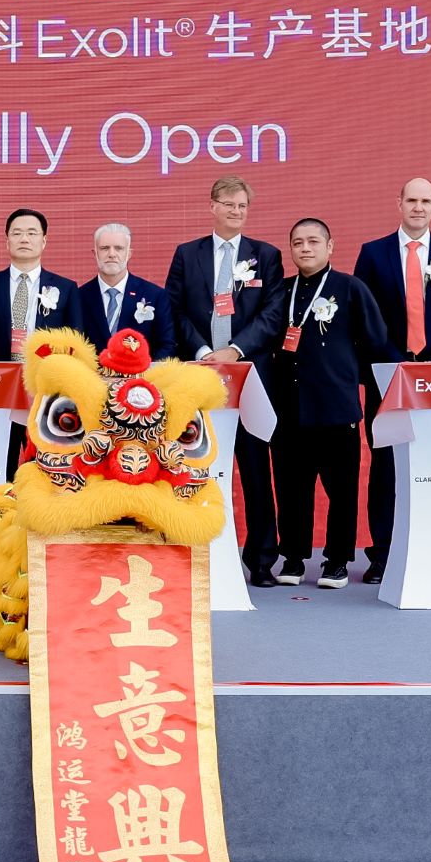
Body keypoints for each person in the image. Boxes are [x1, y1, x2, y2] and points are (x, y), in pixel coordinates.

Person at [165, 176, 287, 586]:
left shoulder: (265, 255)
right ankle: (187, 548)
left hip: (248, 376)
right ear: (212, 206)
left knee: (255, 469)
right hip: (198, 376)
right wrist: (203, 353)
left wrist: (234, 350)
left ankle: (261, 559)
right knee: (192, 463)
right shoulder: (188, 254)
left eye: (242, 206)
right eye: (229, 204)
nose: (236, 212)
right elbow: (174, 310)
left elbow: (273, 313)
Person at [352, 178, 431, 584]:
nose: (418, 207)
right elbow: (364, 316)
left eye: (425, 200)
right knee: (386, 464)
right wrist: (395, 362)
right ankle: (383, 553)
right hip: (388, 375)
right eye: (411, 200)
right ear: (399, 203)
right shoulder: (373, 253)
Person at [265, 218, 389, 589]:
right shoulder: (280, 291)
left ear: (330, 246)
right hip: (288, 408)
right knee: (291, 488)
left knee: (342, 490)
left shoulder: (350, 288)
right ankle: (293, 558)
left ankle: (337, 560)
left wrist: (347, 375)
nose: (305, 248)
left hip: (337, 409)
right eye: (298, 242)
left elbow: (376, 341)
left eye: (313, 241)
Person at [0, 208, 84, 479]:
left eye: (32, 233)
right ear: (7, 240)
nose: (24, 239)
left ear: (44, 241)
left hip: (45, 394)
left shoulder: (66, 288)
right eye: (17, 233)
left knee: (46, 471)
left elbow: (76, 344)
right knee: (0, 470)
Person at [79, 221, 174, 355]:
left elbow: (167, 345)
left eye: (119, 248)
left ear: (129, 254)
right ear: (95, 253)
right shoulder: (79, 297)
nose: (112, 254)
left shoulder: (154, 295)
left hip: (143, 368)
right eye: (105, 248)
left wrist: (145, 367)